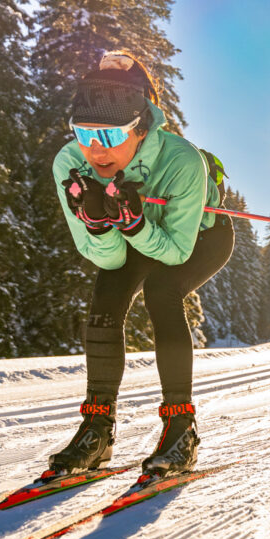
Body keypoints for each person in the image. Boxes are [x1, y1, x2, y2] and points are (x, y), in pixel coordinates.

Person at [47, 51, 233, 477]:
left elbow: (174, 253)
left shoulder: (183, 160)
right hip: (136, 235)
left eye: (111, 136)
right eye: (84, 133)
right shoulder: (69, 163)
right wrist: (98, 224)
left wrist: (131, 224)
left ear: (142, 125)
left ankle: (181, 429)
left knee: (162, 292)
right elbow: (108, 259)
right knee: (105, 300)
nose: (96, 149)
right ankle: (97, 430)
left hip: (200, 237)